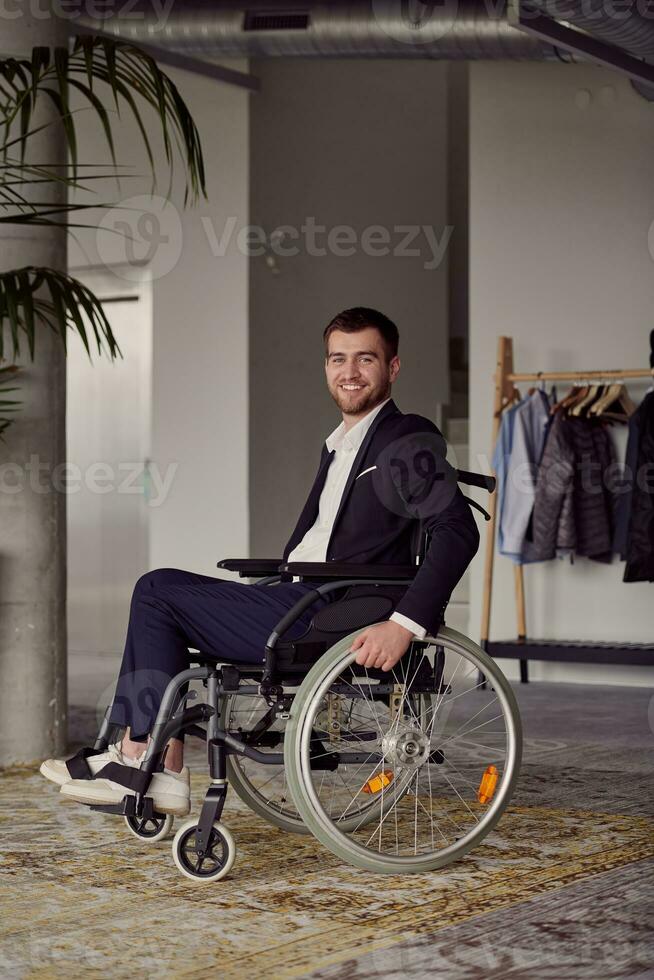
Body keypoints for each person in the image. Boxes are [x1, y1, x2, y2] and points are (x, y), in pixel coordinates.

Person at [40, 307, 480, 816]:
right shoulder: (343, 445)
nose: (350, 371)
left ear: (393, 367)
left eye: (365, 358)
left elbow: (456, 530)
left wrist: (405, 623)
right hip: (299, 594)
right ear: (326, 367)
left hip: (333, 613)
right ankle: (147, 757)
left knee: (156, 594)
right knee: (158, 586)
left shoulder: (404, 438)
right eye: (338, 358)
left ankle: (151, 762)